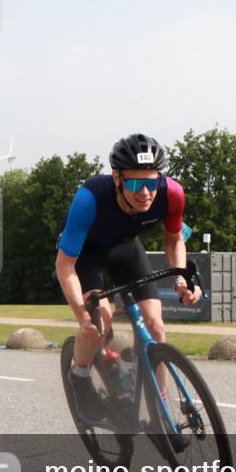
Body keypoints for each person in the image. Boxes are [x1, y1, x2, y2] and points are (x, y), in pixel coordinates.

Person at [55, 133, 201, 421]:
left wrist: (182, 281)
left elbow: (173, 240)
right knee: (99, 324)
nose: (145, 192)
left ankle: (160, 411)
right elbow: (65, 265)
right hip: (86, 255)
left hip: (126, 249)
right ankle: (80, 375)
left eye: (151, 182)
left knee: (156, 326)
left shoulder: (172, 193)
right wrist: (83, 315)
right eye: (135, 183)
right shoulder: (90, 198)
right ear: (117, 178)